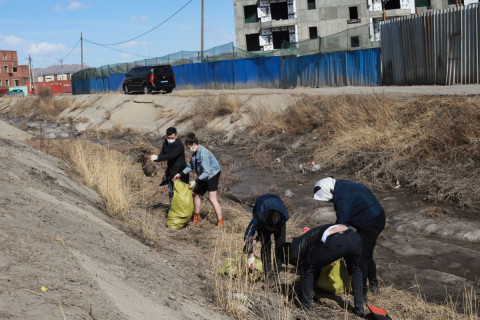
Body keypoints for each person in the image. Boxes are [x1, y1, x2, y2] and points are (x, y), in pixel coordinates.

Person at [313, 177, 386, 297]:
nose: (329, 201)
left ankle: (362, 293)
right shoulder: (341, 186)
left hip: (371, 224)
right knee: (367, 254)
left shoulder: (342, 197)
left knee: (361, 256)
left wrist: (331, 244)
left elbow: (342, 224)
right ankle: (374, 285)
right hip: (376, 218)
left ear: (328, 191)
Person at [281, 224, 364, 316]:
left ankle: (306, 305)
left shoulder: (297, 244)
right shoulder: (311, 235)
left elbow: (297, 259)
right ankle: (359, 307)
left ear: (286, 254)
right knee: (355, 270)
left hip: (337, 242)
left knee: (307, 267)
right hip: (355, 238)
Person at [174, 132, 223, 227]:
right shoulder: (195, 154)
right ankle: (197, 217)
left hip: (212, 174)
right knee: (195, 194)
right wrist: (180, 174)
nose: (189, 150)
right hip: (204, 175)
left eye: (189, 148)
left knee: (212, 198)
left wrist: (195, 181)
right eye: (188, 148)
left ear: (194, 145)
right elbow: (190, 167)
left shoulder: (203, 154)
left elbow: (207, 172)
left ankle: (220, 221)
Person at [244, 194, 289, 279]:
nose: (273, 231)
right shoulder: (259, 216)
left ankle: (276, 273)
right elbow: (248, 234)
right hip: (262, 204)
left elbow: (280, 240)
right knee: (266, 244)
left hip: (277, 203)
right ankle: (267, 272)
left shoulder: (284, 217)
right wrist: (251, 254)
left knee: (280, 245)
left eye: (274, 229)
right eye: (270, 228)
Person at [149, 127, 189, 201]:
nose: (170, 139)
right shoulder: (165, 143)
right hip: (171, 171)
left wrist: (157, 157)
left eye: (172, 137)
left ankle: (181, 211)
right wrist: (153, 158)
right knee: (171, 192)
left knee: (181, 193)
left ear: (176, 136)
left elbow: (171, 155)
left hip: (180, 172)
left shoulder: (179, 145)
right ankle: (173, 210)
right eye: (168, 137)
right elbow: (162, 155)